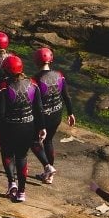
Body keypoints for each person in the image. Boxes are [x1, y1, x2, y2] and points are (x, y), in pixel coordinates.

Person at [0, 54, 45, 202]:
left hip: (10, 128)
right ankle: (22, 192)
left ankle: (12, 182)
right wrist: (42, 127)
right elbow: (39, 108)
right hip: (28, 127)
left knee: (7, 155)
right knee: (22, 158)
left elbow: (0, 113)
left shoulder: (4, 87)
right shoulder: (33, 84)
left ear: (6, 70)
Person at [31, 47, 75, 183]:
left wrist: (40, 124)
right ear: (51, 59)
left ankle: (47, 167)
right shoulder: (59, 75)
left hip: (43, 116)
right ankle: (49, 176)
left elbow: (36, 103)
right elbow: (66, 96)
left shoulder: (35, 79)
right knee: (49, 141)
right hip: (57, 113)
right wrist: (71, 113)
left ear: (36, 61)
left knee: (33, 141)